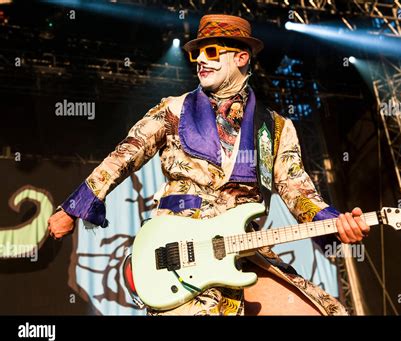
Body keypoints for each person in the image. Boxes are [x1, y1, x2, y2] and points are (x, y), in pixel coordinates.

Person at [48, 14, 370, 316]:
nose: (201, 60)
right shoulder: (173, 110)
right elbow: (122, 157)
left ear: (241, 57)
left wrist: (335, 222)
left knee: (324, 311)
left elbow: (298, 189)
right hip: (181, 255)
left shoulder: (276, 127)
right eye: (197, 53)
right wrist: (73, 208)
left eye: (212, 51)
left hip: (242, 249)